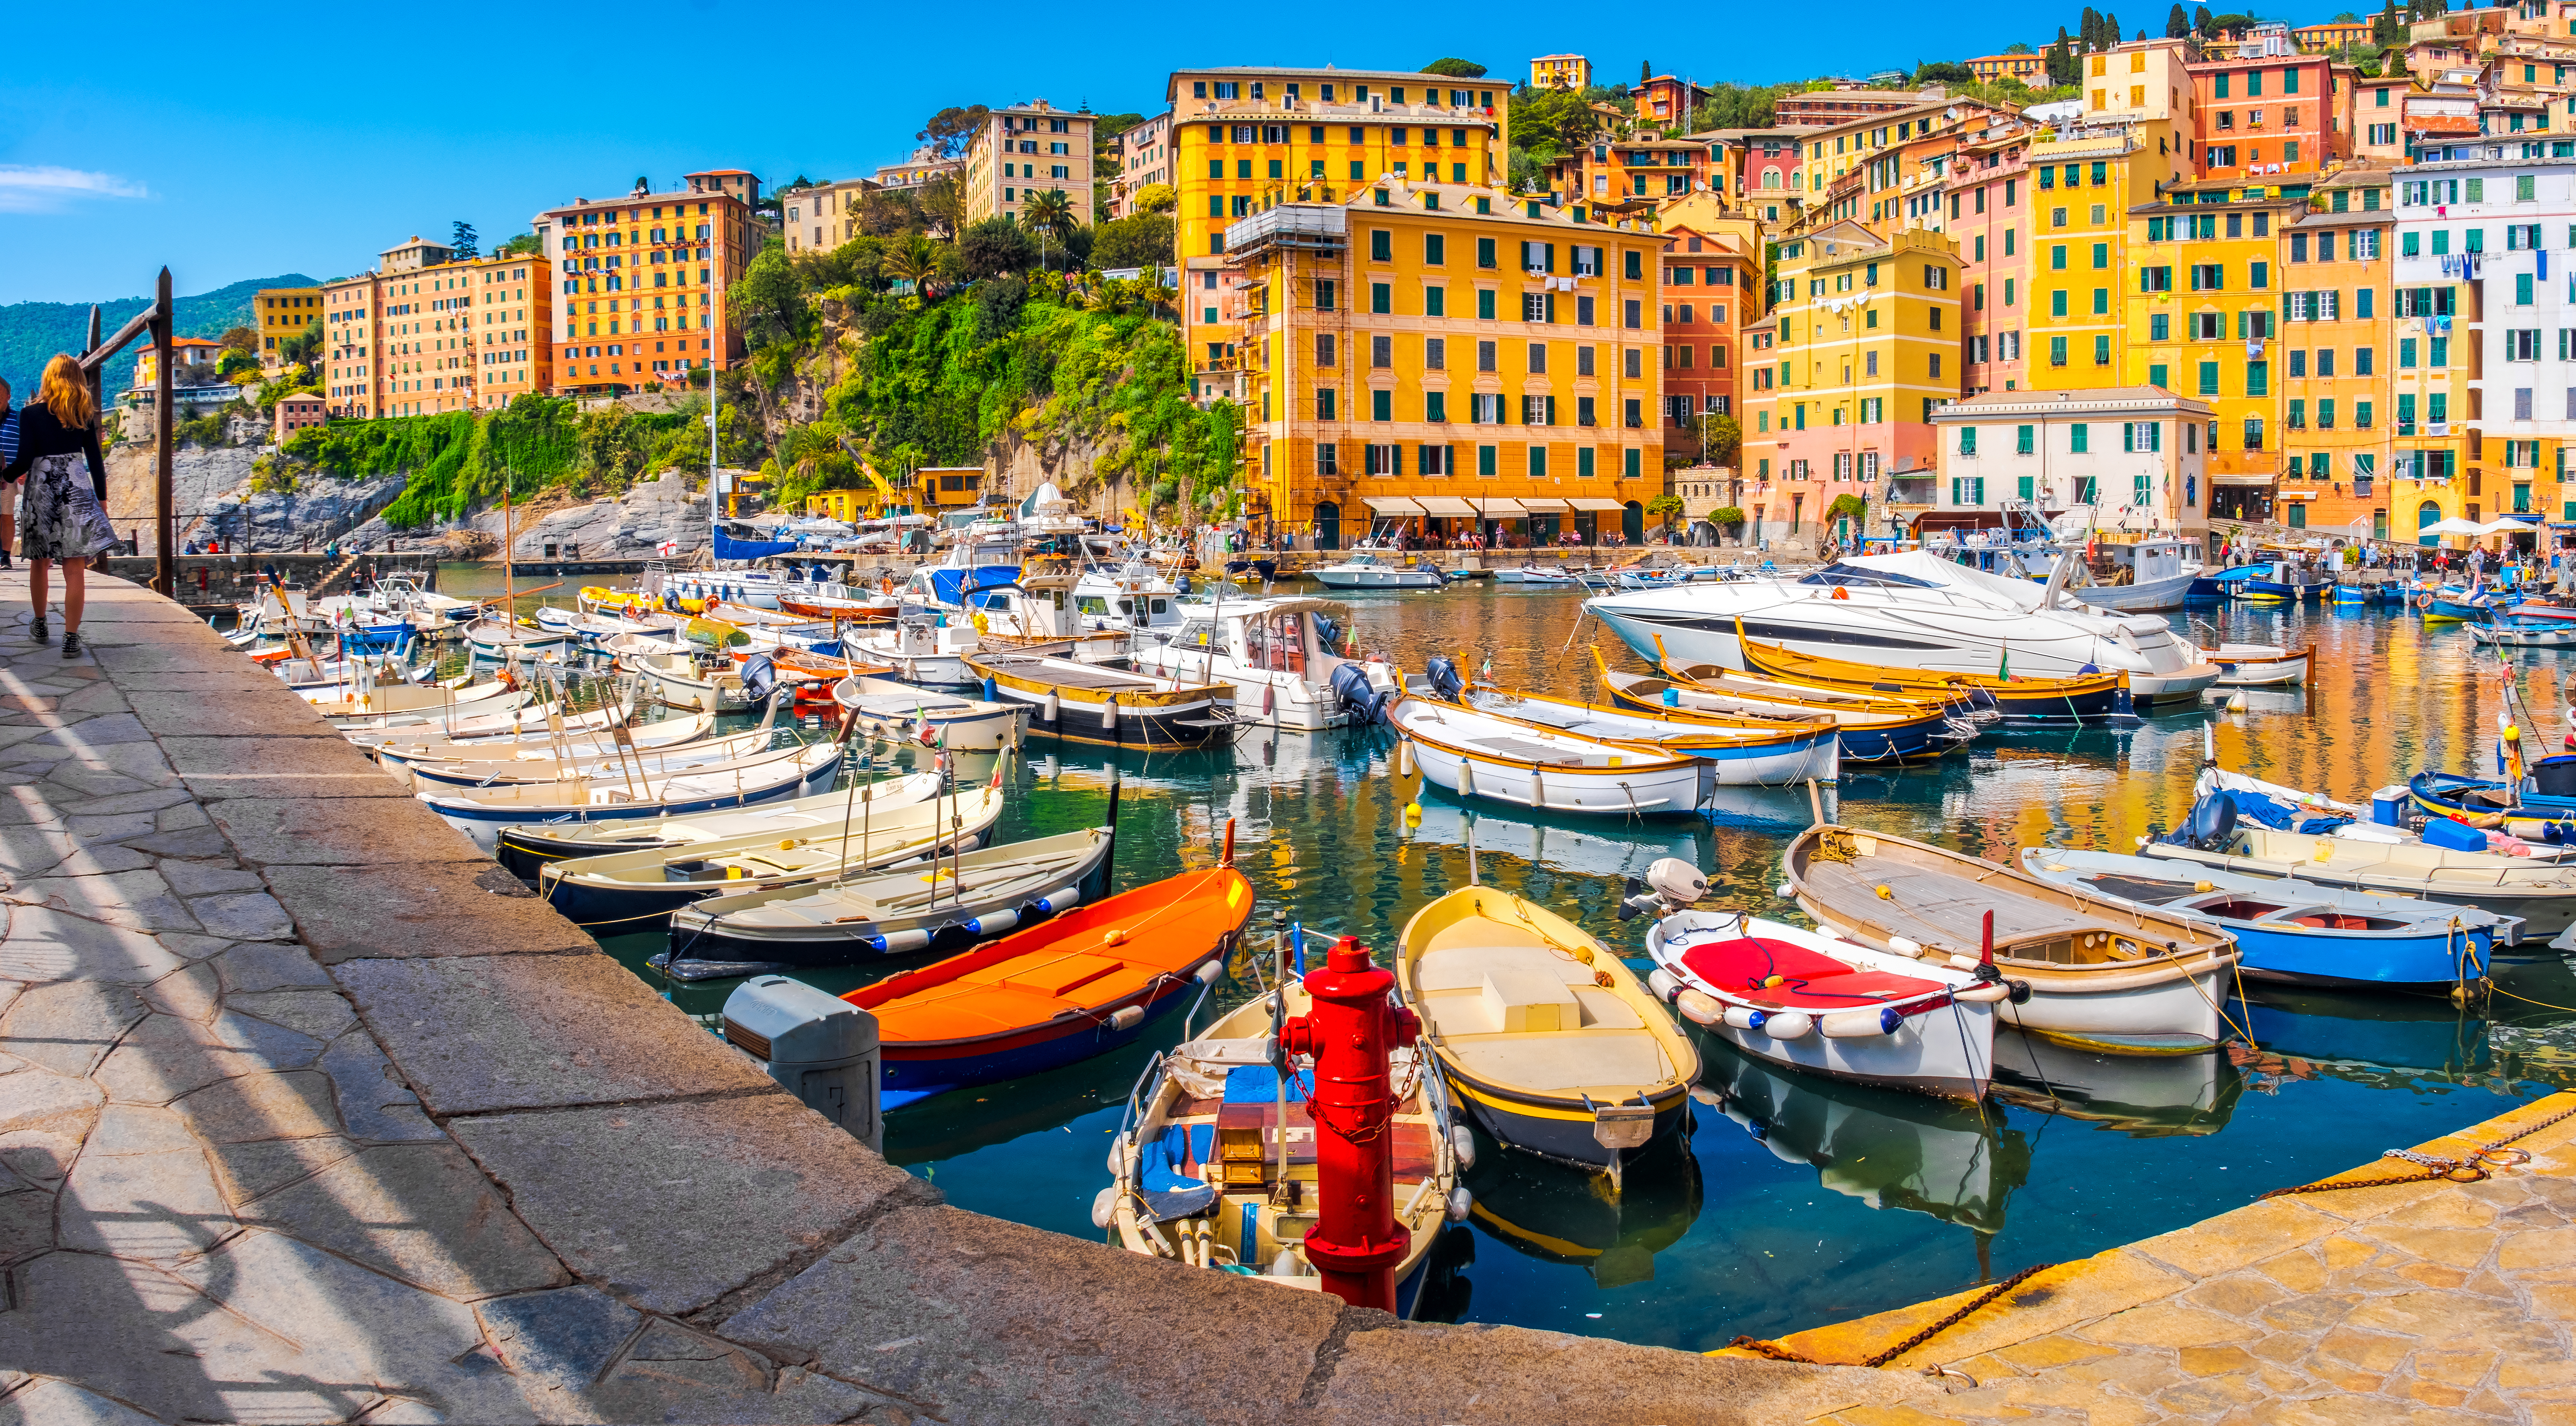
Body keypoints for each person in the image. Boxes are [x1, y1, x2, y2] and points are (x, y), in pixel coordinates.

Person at [1, 355, 118, 656]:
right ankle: (71, 637)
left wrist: (5, 476)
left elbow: (25, 458)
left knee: (40, 561)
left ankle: (40, 623)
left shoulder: (31, 413)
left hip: (42, 490)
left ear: (49, 378)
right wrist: (102, 500)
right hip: (76, 488)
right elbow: (95, 461)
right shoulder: (83, 413)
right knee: (75, 567)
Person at [0, 376, 18, 569]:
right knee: (5, 514)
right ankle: (5, 556)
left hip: (23, 471)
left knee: (35, 511)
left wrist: (26, 467)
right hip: (3, 475)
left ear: (8, 396)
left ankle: (43, 554)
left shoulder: (20, 418)